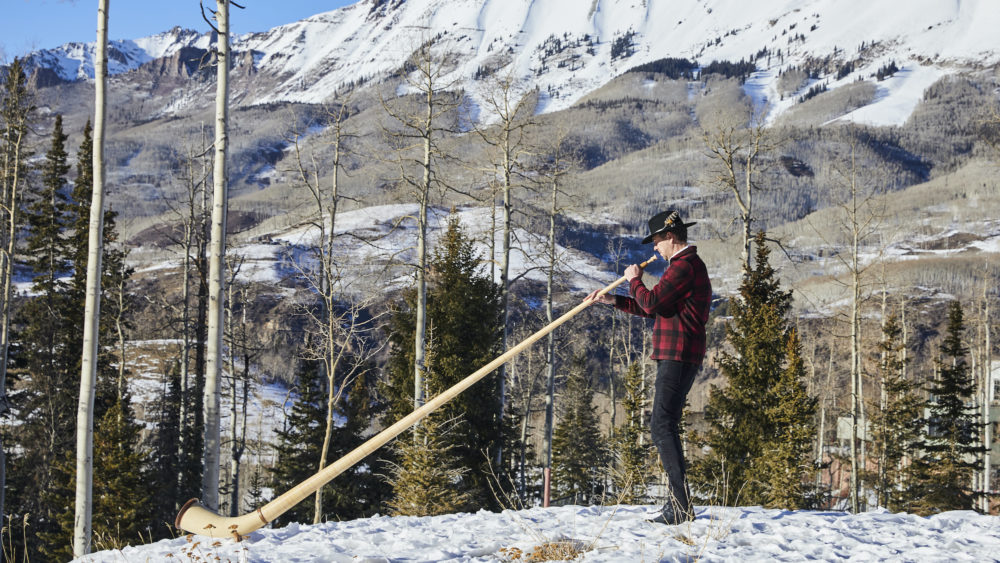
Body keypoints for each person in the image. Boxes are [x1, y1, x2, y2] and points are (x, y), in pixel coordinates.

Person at [585, 209, 712, 525]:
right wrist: (613, 301)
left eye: (656, 242)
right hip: (678, 352)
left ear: (669, 237)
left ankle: (680, 506)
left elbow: (652, 301)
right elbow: (656, 308)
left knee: (661, 425)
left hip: (678, 353)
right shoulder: (681, 267)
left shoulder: (685, 267)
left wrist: (634, 280)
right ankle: (678, 504)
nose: (654, 249)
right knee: (663, 424)